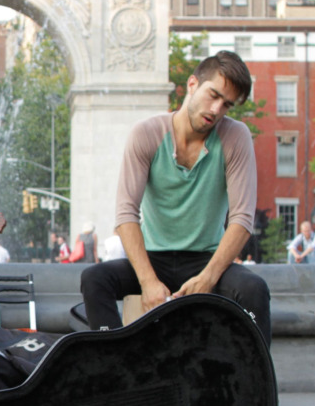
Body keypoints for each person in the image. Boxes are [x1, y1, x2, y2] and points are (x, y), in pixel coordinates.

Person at [79, 51, 271, 344]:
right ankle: (116, 364)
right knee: (94, 279)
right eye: (213, 95)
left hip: (207, 260)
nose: (217, 109)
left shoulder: (236, 137)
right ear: (192, 84)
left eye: (227, 105)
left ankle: (256, 386)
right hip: (154, 259)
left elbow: (242, 218)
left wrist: (208, 278)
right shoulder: (147, 134)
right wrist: (147, 281)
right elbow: (126, 213)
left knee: (254, 289)